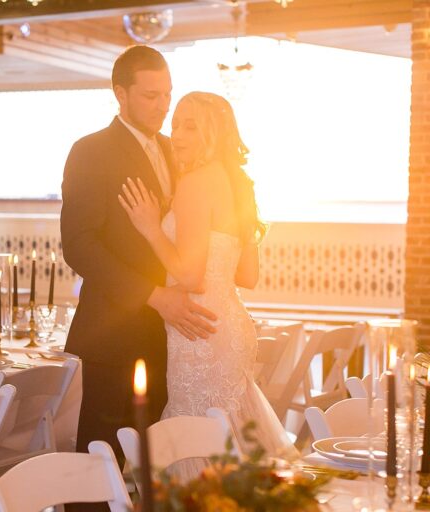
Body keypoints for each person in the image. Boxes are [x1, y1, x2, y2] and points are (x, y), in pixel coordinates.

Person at [60, 45, 218, 496]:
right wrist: (154, 294)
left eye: (168, 94)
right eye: (151, 95)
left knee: (158, 463)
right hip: (116, 332)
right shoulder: (90, 151)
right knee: (100, 463)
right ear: (120, 94)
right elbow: (79, 247)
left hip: (175, 339)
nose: (164, 106)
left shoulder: (178, 151)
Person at [119, 91, 297, 481]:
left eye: (190, 125)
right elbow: (247, 276)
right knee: (228, 435)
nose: (177, 132)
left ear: (213, 133)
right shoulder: (236, 183)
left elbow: (190, 276)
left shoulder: (197, 182)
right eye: (175, 123)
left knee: (199, 439)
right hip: (228, 327)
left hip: (198, 331)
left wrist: (152, 228)